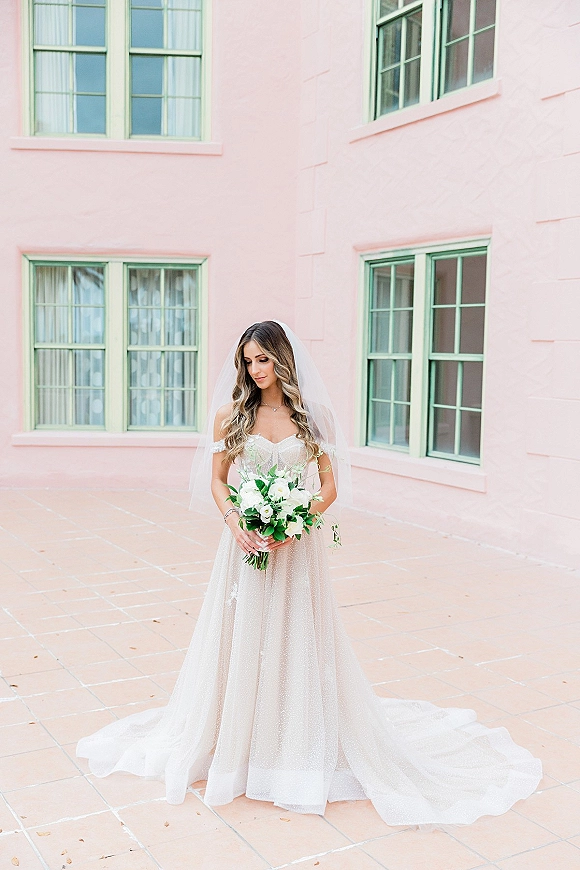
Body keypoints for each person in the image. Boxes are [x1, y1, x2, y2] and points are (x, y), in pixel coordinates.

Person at [77, 320, 542, 824]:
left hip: (297, 548)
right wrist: (237, 522)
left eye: (263, 359)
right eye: (248, 361)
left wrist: (297, 522)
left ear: (282, 359)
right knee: (242, 635)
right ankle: (238, 741)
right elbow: (217, 481)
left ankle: (293, 743)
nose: (255, 370)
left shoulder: (314, 417)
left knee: (298, 637)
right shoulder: (230, 416)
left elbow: (330, 486)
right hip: (246, 543)